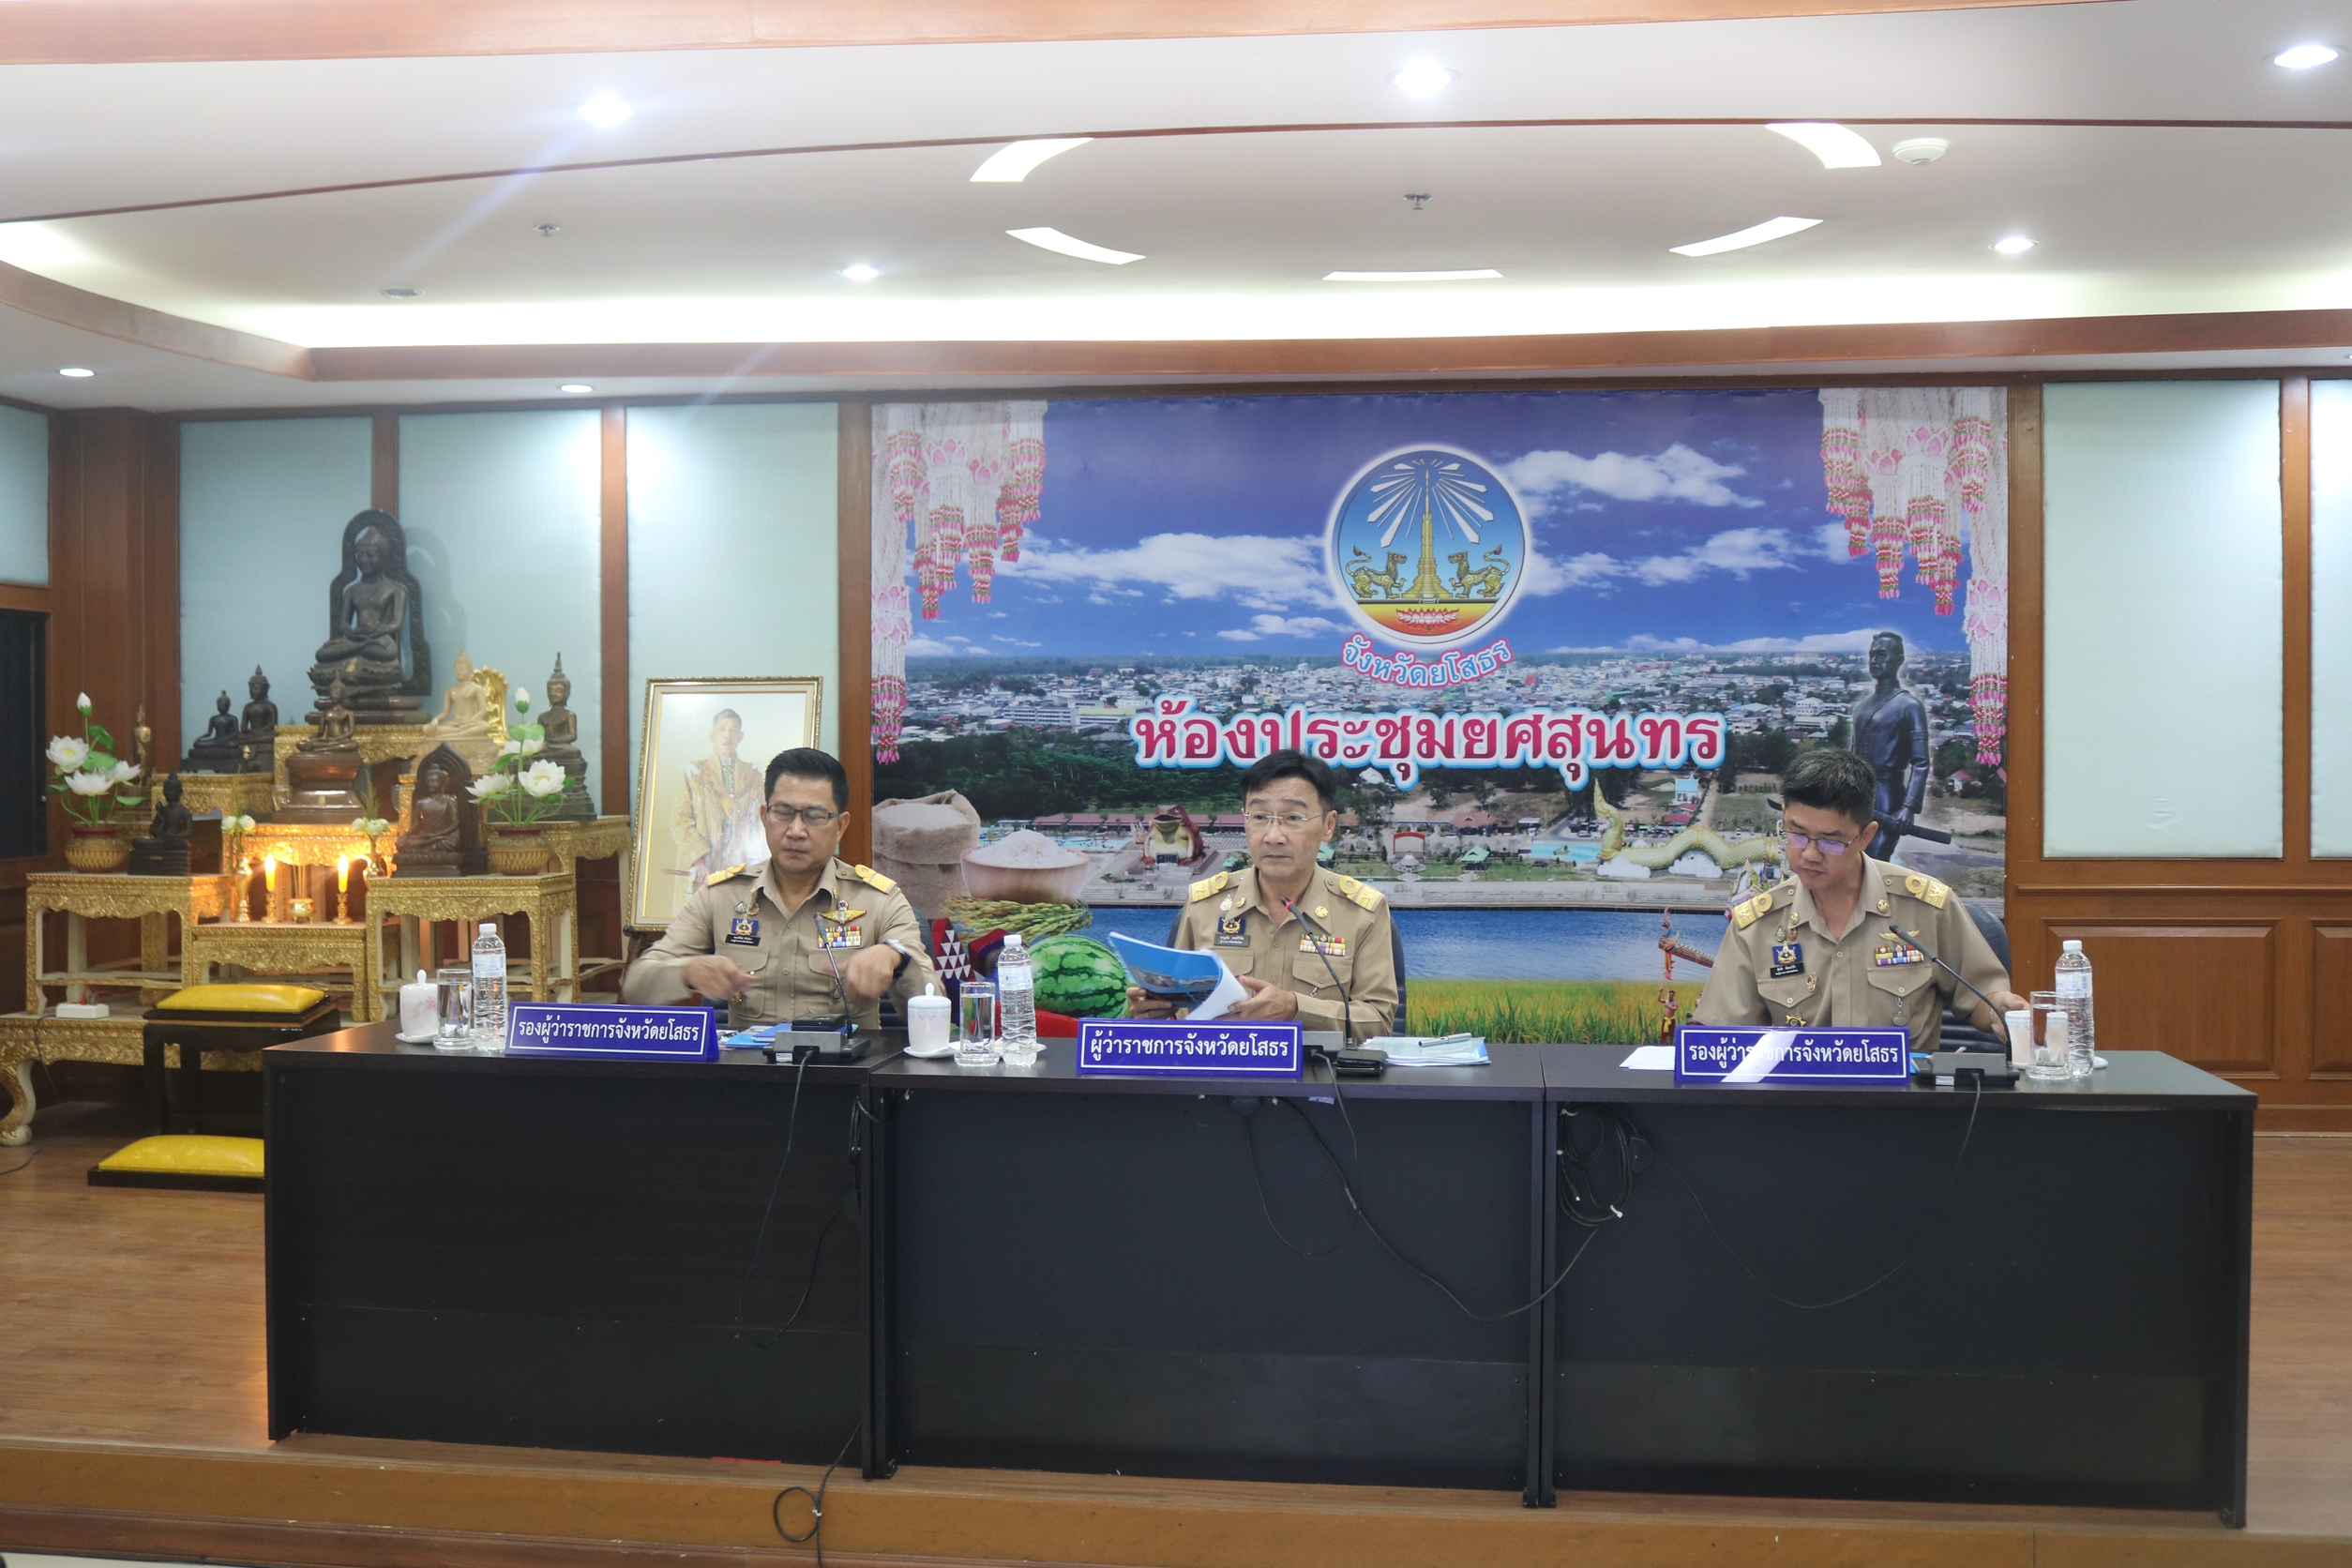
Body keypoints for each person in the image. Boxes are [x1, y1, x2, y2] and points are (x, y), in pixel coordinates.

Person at [1696, 747, 2022, 1050]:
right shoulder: (1757, 925)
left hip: (1906, 1100)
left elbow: (1982, 998)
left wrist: (1998, 1009)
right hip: (1798, 1102)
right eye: (1796, 834)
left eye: (1830, 842)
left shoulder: (1927, 907)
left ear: (1866, 836)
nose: (1809, 854)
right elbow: (1722, 1038)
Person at [626, 747, 938, 1033]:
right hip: (746, 1079)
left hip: (843, 1080)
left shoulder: (878, 899)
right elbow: (636, 985)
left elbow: (934, 999)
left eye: (814, 816)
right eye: (783, 813)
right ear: (764, 816)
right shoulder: (721, 895)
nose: (796, 831)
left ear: (841, 825)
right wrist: (688, 971)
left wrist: (897, 959)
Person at [1127, 749, 1398, 1038]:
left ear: (1328, 825)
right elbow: (1179, 1015)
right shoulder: (1205, 904)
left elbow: (1377, 1021)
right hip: (1220, 1075)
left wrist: (1295, 1008)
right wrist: (1158, 1010)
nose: (1273, 836)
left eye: (1293, 817)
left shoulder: (1361, 913)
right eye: (1259, 816)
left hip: (1318, 1078)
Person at [1849, 630, 1932, 858]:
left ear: (1898, 661)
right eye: (1872, 655)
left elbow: (1921, 763)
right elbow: (1852, 757)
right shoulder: (1864, 706)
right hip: (1859, 796)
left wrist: (1908, 807)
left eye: (1881, 655)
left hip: (1887, 798)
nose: (1874, 660)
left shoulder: (1909, 706)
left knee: (1875, 861)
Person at [671, 707, 764, 906]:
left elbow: (760, 823)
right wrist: (698, 861)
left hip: (741, 864)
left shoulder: (754, 775)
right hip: (706, 865)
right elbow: (680, 819)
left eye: (733, 730)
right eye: (722, 729)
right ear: (712, 735)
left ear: (740, 736)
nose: (727, 735)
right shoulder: (694, 772)